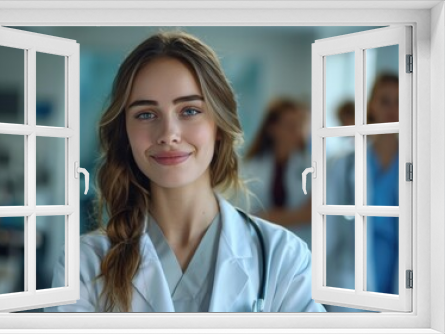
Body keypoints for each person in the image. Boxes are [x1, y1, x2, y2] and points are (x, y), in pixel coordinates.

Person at [45, 31, 325, 313]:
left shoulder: (283, 256)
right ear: (125, 134)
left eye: (189, 110)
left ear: (218, 125)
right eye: (145, 114)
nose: (168, 134)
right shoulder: (85, 263)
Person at [325, 73, 399, 311]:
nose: (393, 109)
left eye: (400, 101)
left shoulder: (419, 164)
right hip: (351, 275)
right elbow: (329, 230)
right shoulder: (344, 163)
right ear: (371, 106)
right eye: (385, 101)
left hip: (401, 272)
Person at [240, 99, 313, 249]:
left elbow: (313, 214)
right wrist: (298, 215)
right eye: (290, 126)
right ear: (272, 128)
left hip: (302, 245)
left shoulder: (311, 165)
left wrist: (267, 217)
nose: (297, 132)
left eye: (299, 125)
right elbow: (244, 216)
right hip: (262, 245)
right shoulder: (251, 167)